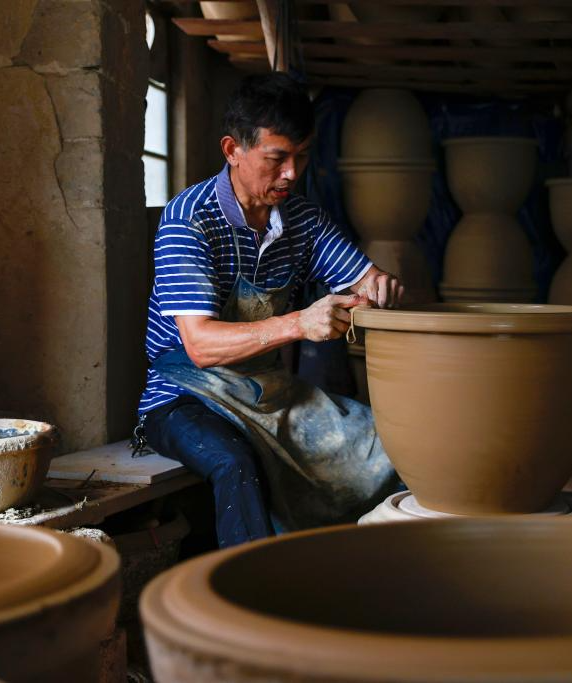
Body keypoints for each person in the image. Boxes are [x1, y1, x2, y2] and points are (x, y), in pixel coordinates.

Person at [135, 73, 402, 548]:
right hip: (183, 399)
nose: (292, 174)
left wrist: (378, 286)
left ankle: (360, 568)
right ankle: (254, 588)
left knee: (393, 442)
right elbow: (200, 346)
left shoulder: (302, 219)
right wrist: (300, 322)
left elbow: (363, 277)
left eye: (302, 156)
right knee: (237, 462)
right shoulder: (189, 221)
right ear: (232, 150)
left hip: (270, 393)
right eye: (277, 158)